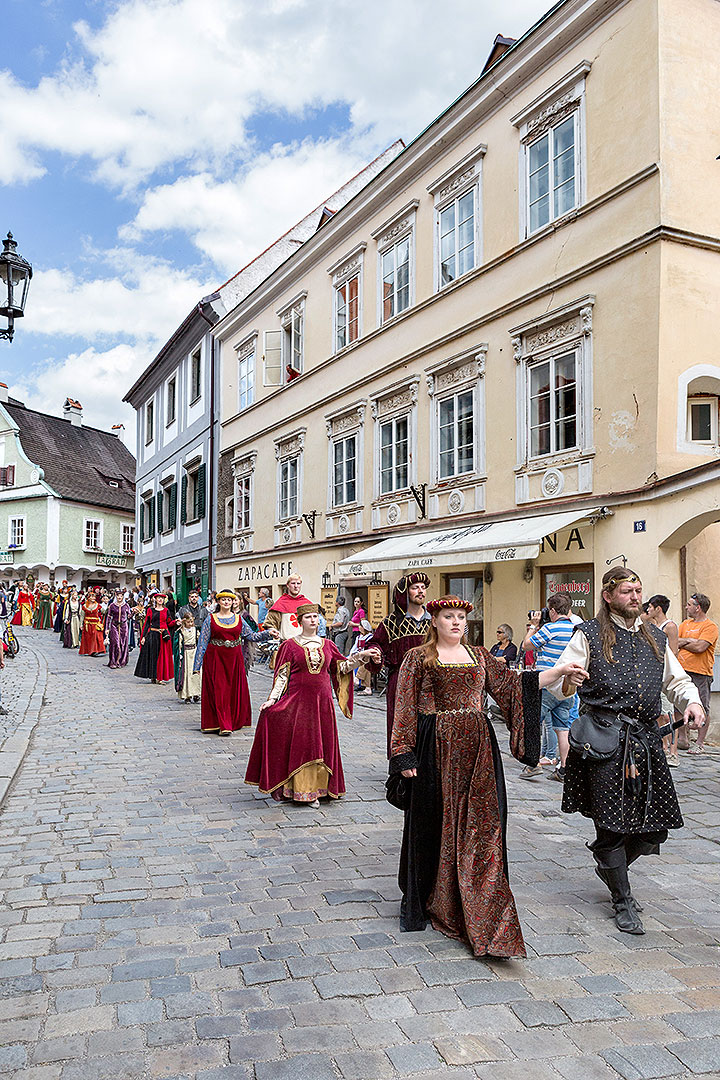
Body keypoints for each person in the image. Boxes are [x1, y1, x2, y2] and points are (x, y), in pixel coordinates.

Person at [389, 595, 587, 956]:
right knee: (437, 824)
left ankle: (486, 914)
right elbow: (404, 704)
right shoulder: (418, 658)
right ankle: (437, 899)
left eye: (461, 617)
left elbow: (514, 686)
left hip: (478, 750)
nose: (456, 623)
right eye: (448, 617)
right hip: (436, 748)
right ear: (434, 621)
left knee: (484, 825)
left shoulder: (480, 656)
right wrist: (403, 752)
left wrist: (559, 671)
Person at [552, 566, 705, 935]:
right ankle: (622, 898)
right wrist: (569, 680)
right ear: (608, 596)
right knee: (611, 828)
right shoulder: (586, 635)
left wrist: (693, 702)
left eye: (638, 590)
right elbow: (559, 685)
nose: (635, 597)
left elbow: (677, 680)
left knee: (655, 830)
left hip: (645, 742)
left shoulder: (655, 636)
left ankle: (609, 866)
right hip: (603, 741)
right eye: (626, 591)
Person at [245, 604, 377, 806]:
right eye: (308, 617)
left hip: (322, 704)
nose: (313, 620)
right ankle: (302, 791)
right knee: (304, 744)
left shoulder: (328, 645)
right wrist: (272, 699)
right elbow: (282, 676)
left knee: (322, 744)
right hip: (299, 704)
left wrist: (361, 657)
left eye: (316, 616)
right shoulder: (289, 646)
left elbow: (341, 667)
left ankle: (320, 789)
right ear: (300, 621)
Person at [193, 588, 278, 735]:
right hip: (215, 658)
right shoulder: (210, 619)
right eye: (223, 599)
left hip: (234, 659)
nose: (226, 602)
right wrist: (197, 665)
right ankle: (223, 724)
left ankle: (231, 720)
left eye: (229, 599)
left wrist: (267, 633)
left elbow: (251, 636)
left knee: (232, 690)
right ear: (218, 601)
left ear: (233, 602)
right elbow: (202, 642)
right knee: (219, 689)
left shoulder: (239, 619)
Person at [364, 573, 431, 756]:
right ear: (404, 592)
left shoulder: (434, 621)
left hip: (430, 683)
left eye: (423, 588)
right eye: (415, 587)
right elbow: (374, 642)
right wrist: (376, 653)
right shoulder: (392, 622)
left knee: (428, 726)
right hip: (400, 681)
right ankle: (400, 771)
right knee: (400, 725)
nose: (420, 591)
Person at [520, 594, 577, 781]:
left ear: (552, 611)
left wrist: (533, 626)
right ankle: (565, 768)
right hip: (567, 686)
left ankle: (533, 764)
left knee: (533, 722)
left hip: (546, 683)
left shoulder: (550, 628)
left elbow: (526, 645)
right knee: (562, 728)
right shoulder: (577, 630)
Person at [676, 592, 718, 753]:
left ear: (698, 607)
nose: (686, 607)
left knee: (702, 707)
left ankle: (699, 743)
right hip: (682, 670)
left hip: (701, 673)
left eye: (689, 604)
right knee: (678, 706)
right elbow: (675, 642)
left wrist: (683, 642)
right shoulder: (685, 624)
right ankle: (683, 739)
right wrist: (689, 641)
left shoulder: (710, 627)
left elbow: (701, 648)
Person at [645, 594, 680, 765]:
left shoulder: (670, 626)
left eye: (650, 607)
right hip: (654, 675)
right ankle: (663, 748)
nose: (648, 610)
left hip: (664, 674)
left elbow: (674, 652)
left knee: (668, 714)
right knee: (658, 713)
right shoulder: (652, 626)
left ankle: (673, 752)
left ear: (658, 608)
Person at [134, 593, 177, 683]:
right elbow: (146, 624)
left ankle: (160, 677)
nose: (160, 600)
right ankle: (153, 676)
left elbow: (169, 623)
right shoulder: (150, 610)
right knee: (153, 656)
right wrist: (143, 637)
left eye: (162, 598)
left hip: (164, 636)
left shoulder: (166, 610)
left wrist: (176, 622)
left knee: (162, 657)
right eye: (158, 598)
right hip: (153, 635)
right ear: (155, 600)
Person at [264, 575, 311, 651]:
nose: (296, 586)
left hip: (305, 645)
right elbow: (270, 623)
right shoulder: (280, 603)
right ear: (287, 585)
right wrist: (274, 632)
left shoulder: (306, 604)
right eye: (293, 583)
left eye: (298, 583)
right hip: (286, 645)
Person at [175, 613, 202, 704]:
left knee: (196, 674)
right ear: (184, 621)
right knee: (187, 675)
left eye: (191, 622)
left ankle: (196, 694)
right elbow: (179, 644)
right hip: (186, 654)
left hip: (194, 652)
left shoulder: (195, 630)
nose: (190, 624)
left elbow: (200, 640)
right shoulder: (181, 631)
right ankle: (187, 695)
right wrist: (179, 655)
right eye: (188, 622)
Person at [105, 589, 131, 669]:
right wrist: (107, 628)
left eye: (121, 596)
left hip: (123, 626)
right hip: (114, 625)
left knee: (123, 644)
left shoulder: (126, 605)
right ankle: (113, 661)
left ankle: (121, 661)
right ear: (116, 596)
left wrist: (133, 613)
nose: (119, 597)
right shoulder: (112, 605)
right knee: (115, 643)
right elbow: (108, 617)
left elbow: (129, 615)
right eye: (118, 596)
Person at [79, 592, 105, 657]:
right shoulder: (84, 606)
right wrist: (81, 624)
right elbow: (82, 616)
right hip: (87, 625)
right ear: (88, 598)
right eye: (92, 597)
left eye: (94, 597)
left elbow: (104, 612)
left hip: (95, 624)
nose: (93, 598)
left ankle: (95, 651)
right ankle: (89, 651)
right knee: (88, 638)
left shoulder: (98, 605)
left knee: (95, 637)